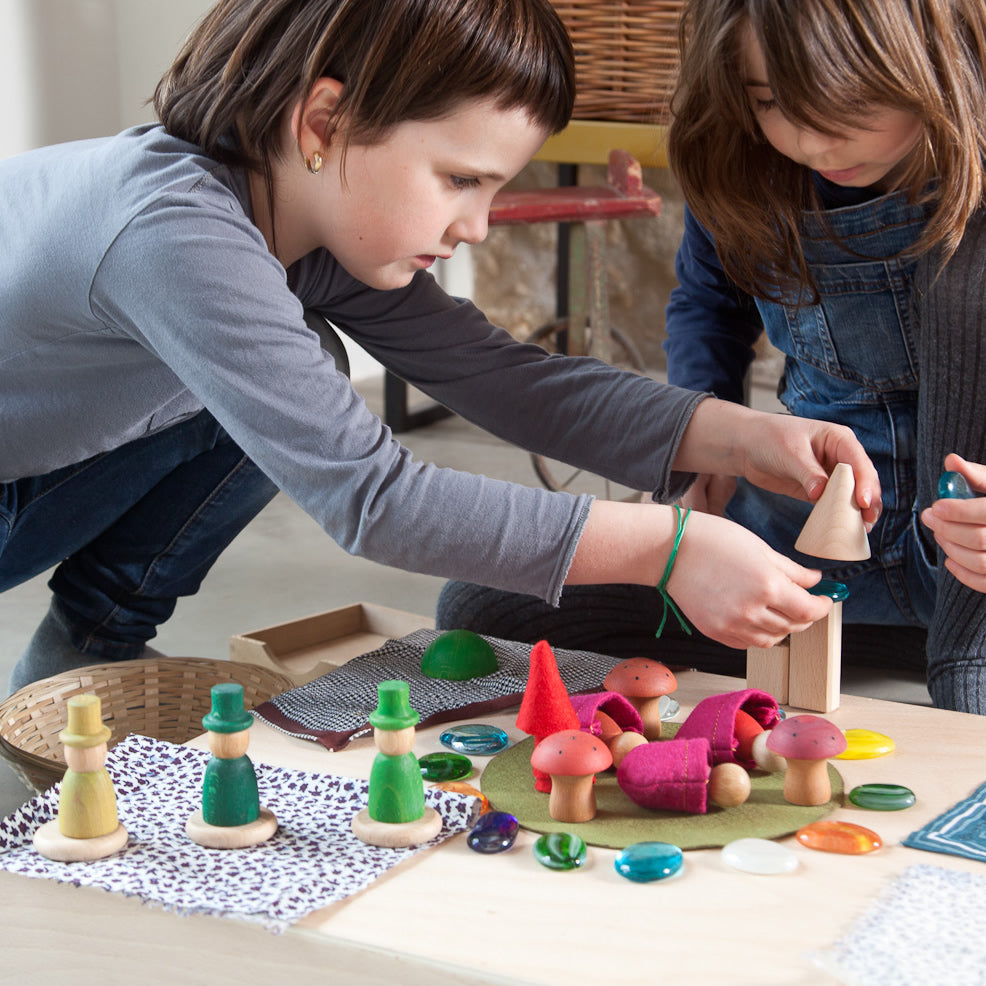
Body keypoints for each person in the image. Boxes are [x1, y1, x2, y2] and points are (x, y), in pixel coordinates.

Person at [1, 0, 878, 695]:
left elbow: (500, 376)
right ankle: (87, 649)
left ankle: (83, 652)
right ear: (324, 123)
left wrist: (740, 435)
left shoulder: (288, 221)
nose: (478, 226)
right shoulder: (176, 234)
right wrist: (668, 548)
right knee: (304, 380)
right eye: (461, 180)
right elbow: (372, 497)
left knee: (303, 362)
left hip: (32, 466)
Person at [437, 0, 986, 714]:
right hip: (810, 530)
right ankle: (859, 631)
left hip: (972, 560)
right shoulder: (739, 158)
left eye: (851, 96)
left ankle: (932, 642)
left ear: (933, 58)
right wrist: (705, 453)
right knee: (491, 607)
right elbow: (708, 305)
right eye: (773, 101)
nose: (815, 139)